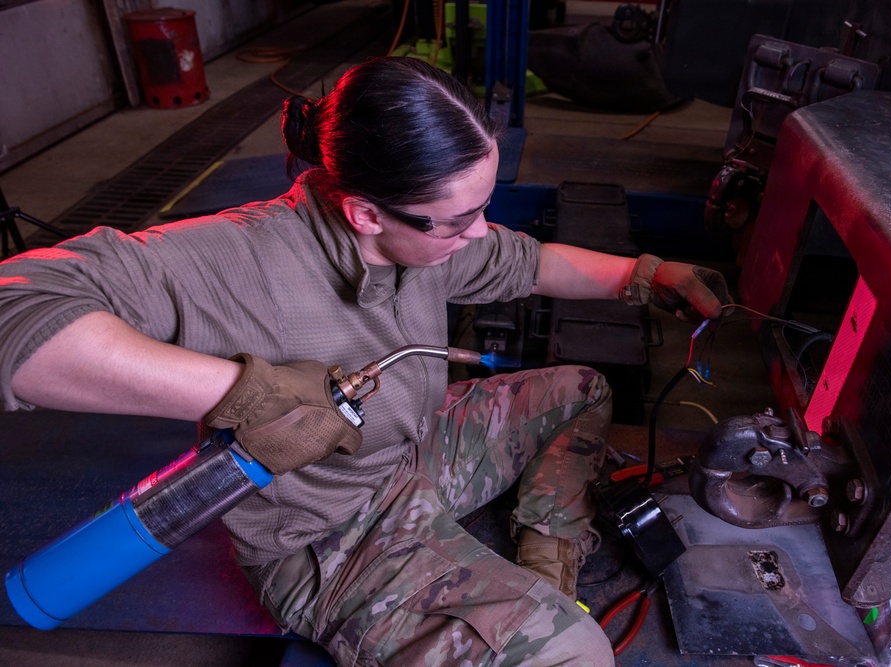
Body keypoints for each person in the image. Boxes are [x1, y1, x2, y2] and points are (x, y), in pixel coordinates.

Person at [0, 56, 727, 665]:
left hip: (408, 452)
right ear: (366, 213)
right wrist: (246, 394)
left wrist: (646, 275)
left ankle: (543, 566)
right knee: (574, 652)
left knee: (581, 390)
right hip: (329, 539)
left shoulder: (430, 236)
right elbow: (16, 309)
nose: (479, 234)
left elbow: (532, 262)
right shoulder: (240, 260)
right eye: (459, 221)